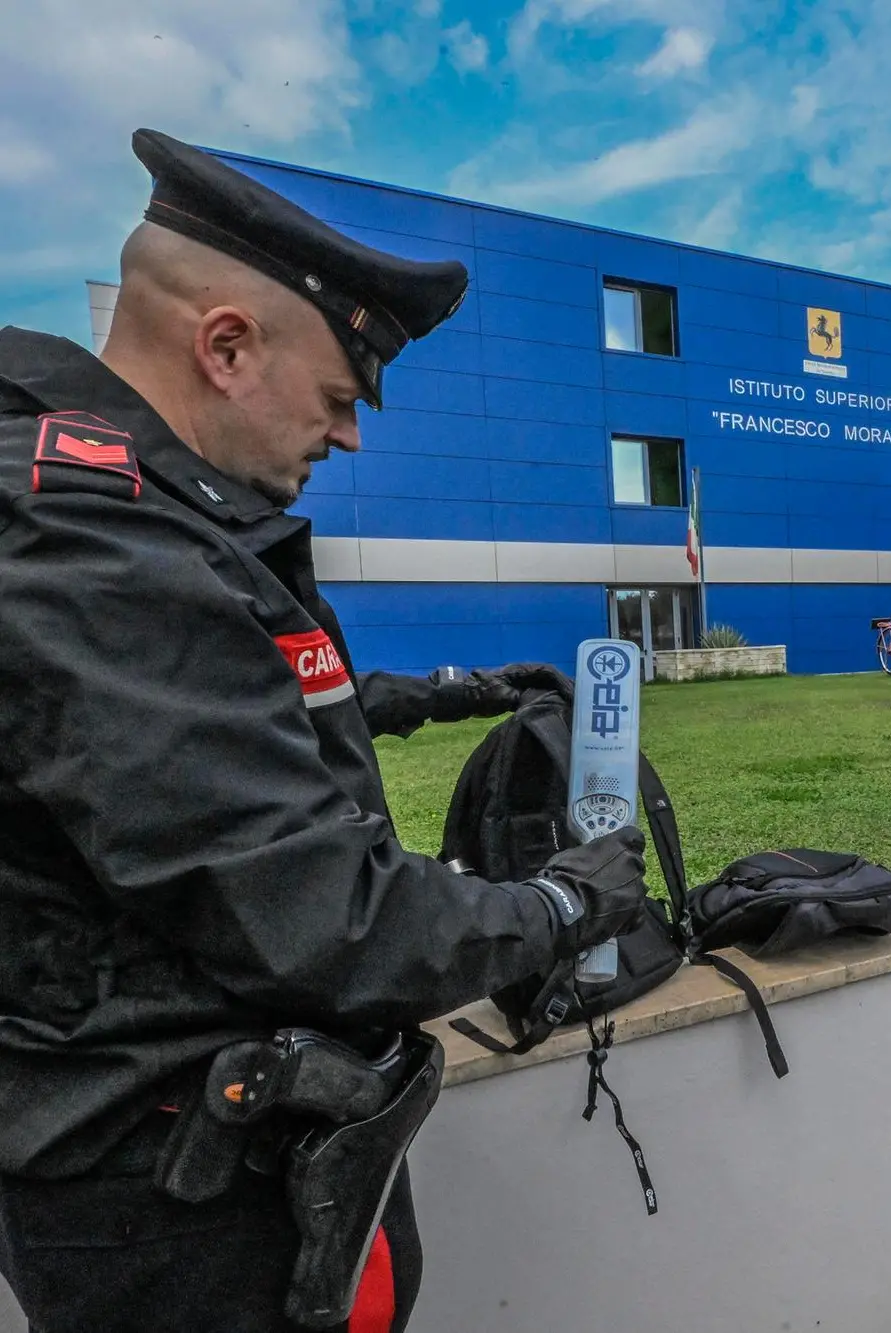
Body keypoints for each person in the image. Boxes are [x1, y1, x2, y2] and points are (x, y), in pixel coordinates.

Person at [0, 129, 646, 1332]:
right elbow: (321, 912)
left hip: (230, 1156)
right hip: (178, 1207)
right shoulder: (95, 549)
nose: (350, 436)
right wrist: (560, 905)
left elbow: (225, 710)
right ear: (227, 345)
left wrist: (448, 688)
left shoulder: (144, 516)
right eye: (342, 397)